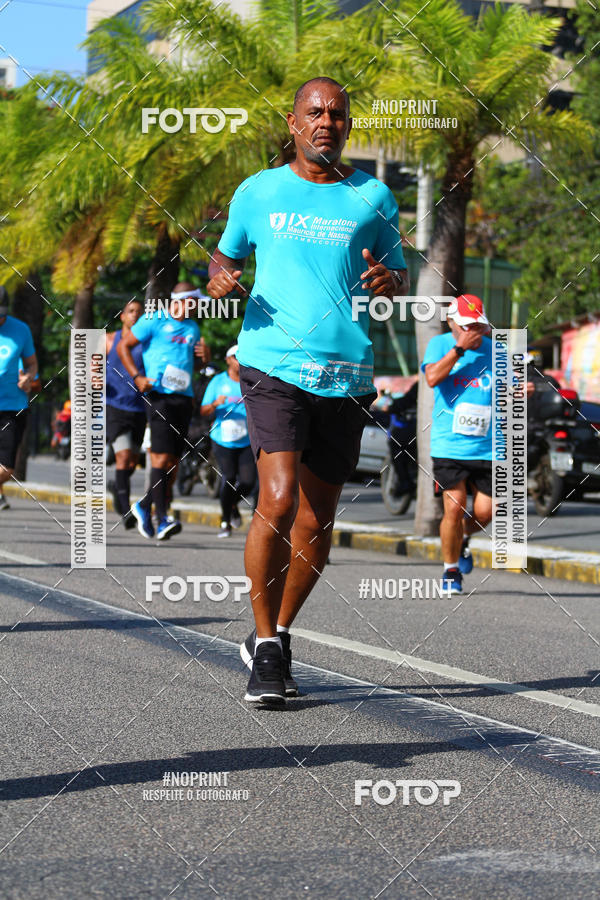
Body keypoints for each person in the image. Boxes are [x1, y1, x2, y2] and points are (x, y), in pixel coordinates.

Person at [206, 77, 409, 704]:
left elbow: (396, 271)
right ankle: (266, 649)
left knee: (319, 519)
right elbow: (223, 259)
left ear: (349, 126)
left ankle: (281, 630)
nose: (326, 122)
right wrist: (221, 280)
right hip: (271, 364)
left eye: (338, 114)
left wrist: (388, 281)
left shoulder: (373, 196)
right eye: (315, 113)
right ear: (293, 123)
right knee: (280, 495)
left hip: (346, 371)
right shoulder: (259, 191)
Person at [117, 283, 210, 540]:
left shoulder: (193, 328)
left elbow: (196, 365)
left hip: (184, 399)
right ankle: (162, 519)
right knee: (159, 460)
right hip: (159, 398)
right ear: (183, 300)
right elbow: (123, 346)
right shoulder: (154, 320)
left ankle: (144, 506)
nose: (199, 305)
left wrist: (205, 357)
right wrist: (137, 376)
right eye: (195, 301)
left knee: (172, 463)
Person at [422, 294, 493, 595]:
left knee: (486, 512)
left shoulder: (496, 350)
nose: (473, 331)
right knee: (454, 508)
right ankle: (450, 569)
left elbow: (510, 387)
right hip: (449, 445)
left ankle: (461, 537)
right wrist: (459, 349)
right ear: (452, 322)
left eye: (477, 325)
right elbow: (432, 378)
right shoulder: (439, 345)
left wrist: (521, 390)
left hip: (489, 446)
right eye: (467, 326)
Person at [201, 345, 256, 538]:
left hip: (246, 438)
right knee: (229, 477)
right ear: (228, 360)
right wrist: (216, 403)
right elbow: (203, 410)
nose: (240, 360)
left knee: (249, 482)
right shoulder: (218, 381)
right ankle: (225, 521)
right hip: (222, 438)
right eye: (235, 357)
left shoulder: (250, 382)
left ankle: (231, 503)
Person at [106, 299, 146, 529]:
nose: (135, 316)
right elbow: (92, 369)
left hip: (140, 408)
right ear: (122, 316)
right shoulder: (110, 340)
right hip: (115, 407)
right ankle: (125, 510)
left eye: (139, 313)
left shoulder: (146, 343)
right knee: (122, 456)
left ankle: (116, 488)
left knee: (131, 461)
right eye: (131, 312)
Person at [0, 286, 39, 510]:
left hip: (13, 406)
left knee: (6, 469)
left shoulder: (20, 330)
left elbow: (32, 363)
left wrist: (29, 379)